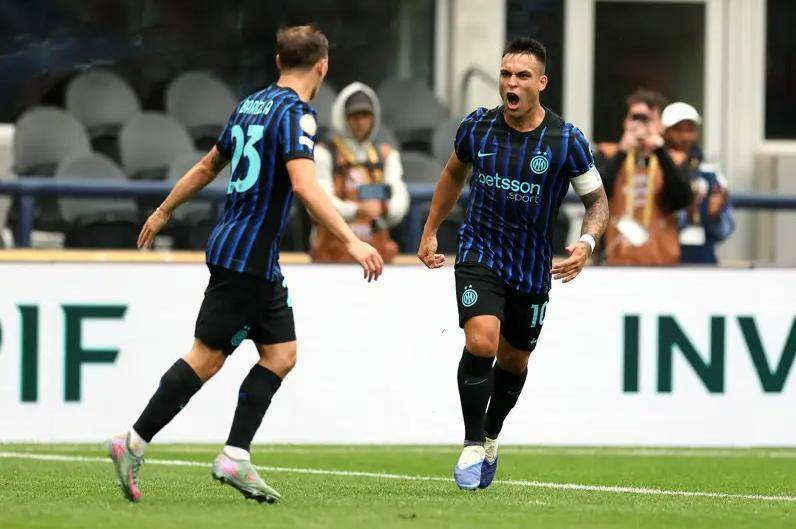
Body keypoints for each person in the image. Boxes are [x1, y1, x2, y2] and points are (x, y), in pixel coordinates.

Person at [106, 25, 383, 504]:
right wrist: (351, 240)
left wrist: (164, 209)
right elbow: (304, 185)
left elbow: (206, 166)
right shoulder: (297, 114)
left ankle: (235, 454)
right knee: (206, 357)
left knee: (282, 353)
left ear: (278, 61)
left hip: (250, 255)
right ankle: (132, 442)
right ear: (323, 66)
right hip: (247, 258)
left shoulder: (250, 105)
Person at [417, 37, 608, 490]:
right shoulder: (478, 128)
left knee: (514, 361)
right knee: (482, 340)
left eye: (522, 76)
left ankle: (491, 434)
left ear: (541, 83)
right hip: (480, 253)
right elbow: (452, 173)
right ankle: (470, 443)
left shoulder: (566, 140)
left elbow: (598, 202)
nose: (511, 83)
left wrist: (586, 243)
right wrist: (430, 229)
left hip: (531, 267)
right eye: (505, 74)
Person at [312, 82, 409, 262]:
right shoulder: (324, 154)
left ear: (373, 118)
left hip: (378, 257)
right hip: (331, 259)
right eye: (354, 116)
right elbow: (319, 202)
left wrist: (385, 208)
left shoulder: (386, 156)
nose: (360, 122)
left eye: (365, 115)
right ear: (343, 117)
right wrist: (356, 211)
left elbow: (400, 197)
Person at [597, 90, 692, 265]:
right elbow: (594, 196)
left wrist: (660, 151)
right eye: (635, 118)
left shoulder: (675, 160)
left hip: (661, 261)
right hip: (616, 262)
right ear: (625, 122)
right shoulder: (608, 154)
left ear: (660, 125)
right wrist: (622, 152)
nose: (640, 125)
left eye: (647, 119)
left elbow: (681, 201)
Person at [661, 102, 734, 264]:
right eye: (678, 130)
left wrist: (713, 217)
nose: (685, 136)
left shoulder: (711, 174)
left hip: (703, 264)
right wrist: (684, 213)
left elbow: (724, 232)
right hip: (660, 263)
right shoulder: (654, 171)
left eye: (690, 130)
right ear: (665, 132)